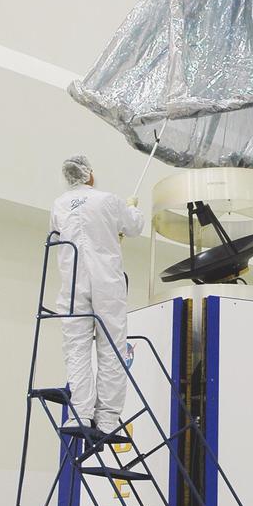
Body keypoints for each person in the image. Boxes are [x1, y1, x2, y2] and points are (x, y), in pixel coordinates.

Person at [50, 155, 144, 438]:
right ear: (90, 174)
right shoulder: (108, 200)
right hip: (106, 283)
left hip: (73, 285)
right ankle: (108, 419)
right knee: (111, 348)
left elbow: (55, 238)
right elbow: (135, 227)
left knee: (76, 348)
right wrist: (131, 209)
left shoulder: (58, 204)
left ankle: (80, 413)